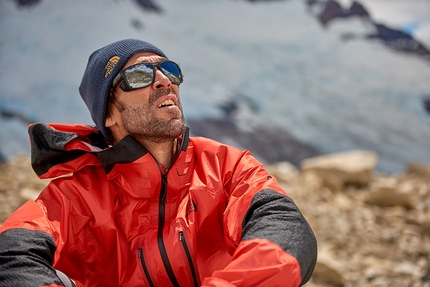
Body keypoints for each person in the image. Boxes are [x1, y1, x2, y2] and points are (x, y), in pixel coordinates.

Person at [0, 39, 317, 287]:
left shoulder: (227, 167)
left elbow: (286, 230)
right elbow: (10, 255)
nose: (165, 81)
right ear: (108, 114)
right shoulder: (74, 198)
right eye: (139, 76)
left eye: (170, 71)